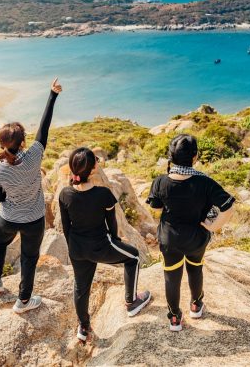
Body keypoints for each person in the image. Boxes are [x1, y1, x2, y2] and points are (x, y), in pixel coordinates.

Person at [0, 78, 62, 314]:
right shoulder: (34, 156)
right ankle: (24, 301)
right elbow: (44, 129)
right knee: (29, 258)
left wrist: (11, 194)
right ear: (23, 142)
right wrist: (52, 95)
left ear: (1, 143)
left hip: (8, 217)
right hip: (34, 219)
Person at [58, 147, 152, 342]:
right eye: (96, 162)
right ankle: (132, 301)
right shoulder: (103, 194)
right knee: (133, 256)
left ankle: (83, 327)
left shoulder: (65, 194)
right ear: (92, 170)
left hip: (77, 248)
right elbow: (112, 223)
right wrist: (116, 241)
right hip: (101, 246)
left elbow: (66, 227)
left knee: (81, 287)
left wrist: (74, 248)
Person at [146, 134, 235, 331]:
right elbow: (228, 206)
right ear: (195, 157)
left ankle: (175, 318)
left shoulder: (160, 181)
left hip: (170, 239)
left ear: (171, 157)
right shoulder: (206, 182)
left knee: (171, 277)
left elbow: (156, 208)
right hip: (196, 238)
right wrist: (213, 226)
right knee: (195, 269)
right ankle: (196, 305)